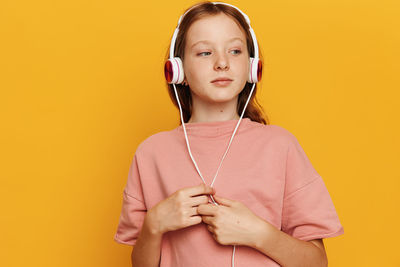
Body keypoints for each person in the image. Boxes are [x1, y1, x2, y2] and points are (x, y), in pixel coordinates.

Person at [114, 1, 344, 267]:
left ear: (251, 67)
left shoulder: (281, 146)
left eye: (235, 51)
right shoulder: (150, 154)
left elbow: (317, 263)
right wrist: (153, 225)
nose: (222, 63)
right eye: (204, 53)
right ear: (178, 71)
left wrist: (258, 234)